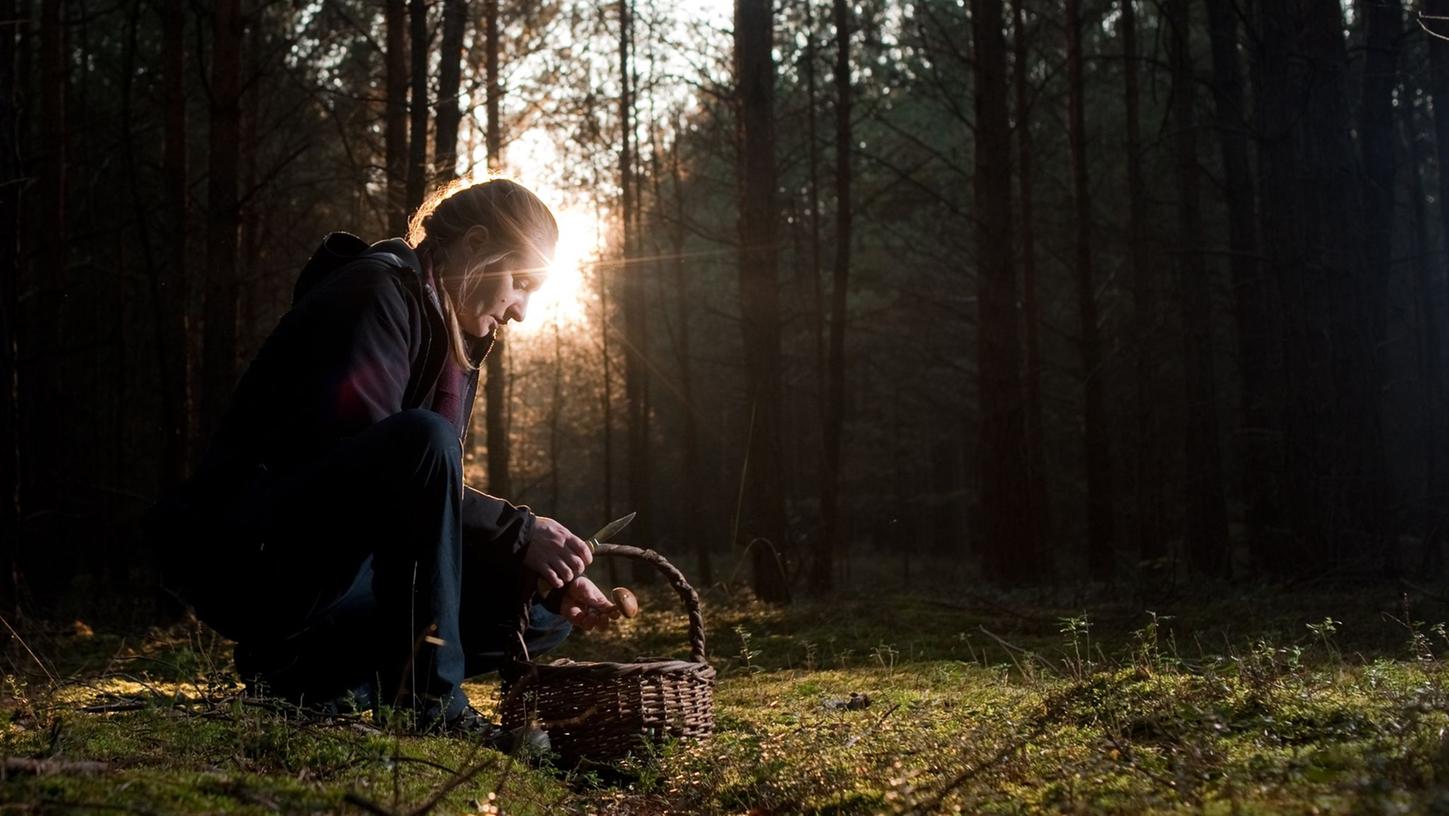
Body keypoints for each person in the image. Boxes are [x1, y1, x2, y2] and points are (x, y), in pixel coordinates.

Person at [147, 179, 617, 734]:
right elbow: (393, 467)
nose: (522, 312)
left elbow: (422, 511)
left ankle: (319, 679)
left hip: (347, 571)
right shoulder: (375, 294)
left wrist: (541, 571)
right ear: (475, 244)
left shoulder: (451, 335)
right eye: (520, 283)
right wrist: (517, 530)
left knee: (538, 609)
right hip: (259, 562)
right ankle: (428, 705)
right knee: (425, 439)